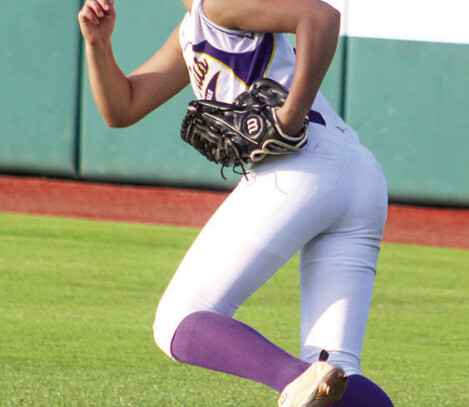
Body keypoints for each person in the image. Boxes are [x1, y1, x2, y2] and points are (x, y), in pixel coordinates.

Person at [78, 0, 394, 405]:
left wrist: (290, 115)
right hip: (358, 177)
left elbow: (321, 17)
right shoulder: (195, 25)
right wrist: (98, 45)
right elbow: (122, 107)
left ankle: (293, 381)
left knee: (177, 320)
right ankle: (309, 379)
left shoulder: (218, 4)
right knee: (338, 369)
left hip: (305, 166)